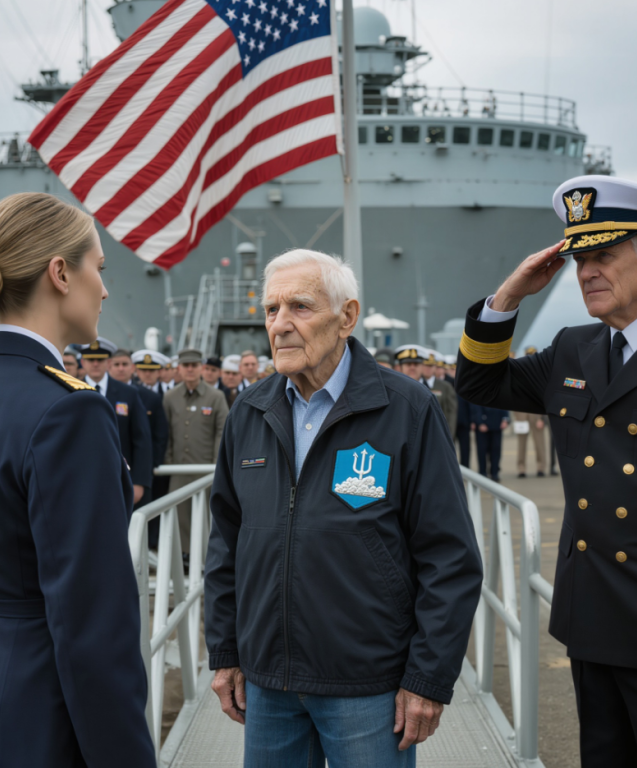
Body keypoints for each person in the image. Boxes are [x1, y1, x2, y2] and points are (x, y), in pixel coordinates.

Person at [206, 249, 482, 768]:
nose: (280, 325)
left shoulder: (406, 410)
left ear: (347, 317)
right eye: (271, 310)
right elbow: (226, 543)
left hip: (369, 688)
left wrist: (427, 678)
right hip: (268, 684)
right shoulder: (249, 411)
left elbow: (450, 557)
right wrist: (224, 655)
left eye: (300, 307)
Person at [455, 175, 637, 768]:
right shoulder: (573, 349)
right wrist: (510, 295)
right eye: (579, 259)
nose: (587, 271)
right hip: (592, 619)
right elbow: (479, 382)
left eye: (603, 256)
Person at [0, 192, 155, 768]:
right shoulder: (70, 411)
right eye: (97, 269)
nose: (104, 290)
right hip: (44, 724)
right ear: (60, 273)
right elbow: (92, 624)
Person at [164, 349, 229, 564]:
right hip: (179, 469)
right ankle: (183, 559)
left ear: (201, 367)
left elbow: (222, 431)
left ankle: (207, 559)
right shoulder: (170, 397)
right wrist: (169, 460)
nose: (190, 369)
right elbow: (166, 433)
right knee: (179, 518)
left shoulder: (216, 396)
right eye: (186, 365)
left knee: (208, 518)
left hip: (207, 470)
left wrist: (216, 465)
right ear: (179, 369)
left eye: (194, 365)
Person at [79, 337, 153, 506]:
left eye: (100, 359)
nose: (95, 364)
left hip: (121, 478)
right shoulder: (70, 391)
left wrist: (139, 482)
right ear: (83, 362)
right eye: (91, 359)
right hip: (83, 479)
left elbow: (142, 440)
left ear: (109, 362)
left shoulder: (129, 394)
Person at [110, 349, 169, 508]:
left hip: (137, 471)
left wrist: (147, 470)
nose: (121, 368)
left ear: (132, 368)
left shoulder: (147, 396)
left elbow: (156, 436)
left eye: (125, 364)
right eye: (117, 364)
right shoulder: (96, 392)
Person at [395, 345, 457, 428]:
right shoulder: (394, 389)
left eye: (416, 364)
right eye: (408, 364)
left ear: (421, 366)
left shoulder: (430, 389)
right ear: (400, 367)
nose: (412, 367)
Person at [512, 346, 548, 478]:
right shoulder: (518, 372)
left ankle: (541, 467)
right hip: (521, 413)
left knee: (540, 443)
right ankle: (521, 468)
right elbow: (513, 395)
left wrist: (542, 418)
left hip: (536, 413)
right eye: (528, 355)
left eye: (532, 355)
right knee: (521, 443)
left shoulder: (540, 373)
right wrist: (516, 416)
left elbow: (545, 396)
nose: (530, 357)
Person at [469, 404, 509, 482]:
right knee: (482, 450)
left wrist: (505, 419)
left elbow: (504, 403)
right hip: (481, 426)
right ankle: (482, 472)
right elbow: (475, 406)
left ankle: (494, 472)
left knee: (496, 450)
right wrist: (479, 422)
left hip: (496, 425)